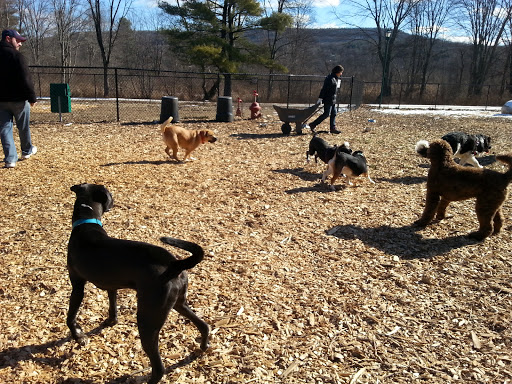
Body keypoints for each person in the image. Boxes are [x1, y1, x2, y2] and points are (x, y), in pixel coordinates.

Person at [0, 29, 37, 168]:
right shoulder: (17, 56)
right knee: (23, 126)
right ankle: (26, 151)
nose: (20, 44)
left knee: (4, 129)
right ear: (8, 39)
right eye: (18, 40)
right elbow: (26, 78)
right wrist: (32, 97)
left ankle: (10, 159)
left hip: (1, 101)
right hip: (19, 99)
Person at [306, 65, 344, 134]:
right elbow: (324, 89)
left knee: (334, 113)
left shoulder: (335, 78)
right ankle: (313, 124)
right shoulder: (330, 78)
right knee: (326, 114)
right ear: (337, 71)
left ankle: (333, 128)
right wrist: (320, 98)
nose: (341, 74)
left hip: (333, 100)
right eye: (341, 72)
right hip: (328, 99)